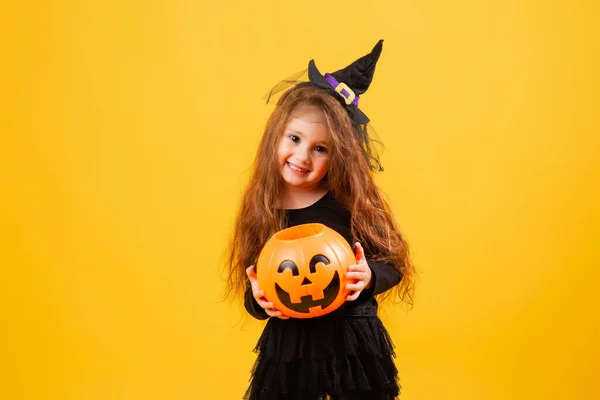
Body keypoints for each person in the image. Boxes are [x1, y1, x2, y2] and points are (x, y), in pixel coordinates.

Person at [225, 40, 416, 400]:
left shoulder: (348, 202)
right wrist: (258, 300)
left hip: (352, 340)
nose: (302, 156)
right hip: (291, 345)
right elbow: (257, 281)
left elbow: (393, 263)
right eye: (294, 139)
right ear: (275, 139)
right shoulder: (264, 207)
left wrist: (370, 276)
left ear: (338, 156)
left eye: (320, 148)